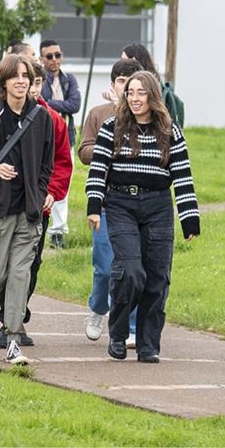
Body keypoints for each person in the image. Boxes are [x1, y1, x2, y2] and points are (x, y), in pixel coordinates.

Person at [85, 70, 201, 364]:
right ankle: (120, 331)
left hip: (158, 206)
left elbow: (183, 178)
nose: (135, 99)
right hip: (121, 203)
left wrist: (190, 219)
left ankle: (149, 343)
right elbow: (98, 170)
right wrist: (94, 207)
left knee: (157, 277)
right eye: (130, 93)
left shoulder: (170, 132)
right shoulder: (113, 127)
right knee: (130, 272)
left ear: (153, 96)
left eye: (141, 93)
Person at [0, 54, 55, 366]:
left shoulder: (42, 118)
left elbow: (48, 163)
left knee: (20, 276)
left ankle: (13, 339)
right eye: (15, 76)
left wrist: (44, 192)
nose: (21, 81)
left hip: (28, 211)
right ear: (3, 81)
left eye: (26, 76)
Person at [0, 60, 73, 348]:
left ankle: (17, 318)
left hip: (38, 207)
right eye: (28, 80)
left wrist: (51, 192)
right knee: (3, 265)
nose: (32, 87)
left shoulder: (52, 120)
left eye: (38, 82)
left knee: (29, 265)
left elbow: (62, 162)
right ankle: (6, 320)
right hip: (4, 205)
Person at [78, 58, 143, 345]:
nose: (127, 91)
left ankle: (131, 325)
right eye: (122, 83)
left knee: (133, 267)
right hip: (104, 203)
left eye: (133, 85)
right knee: (105, 266)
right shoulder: (98, 113)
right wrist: (112, 147)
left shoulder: (148, 118)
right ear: (113, 84)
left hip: (137, 204)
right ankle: (97, 308)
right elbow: (84, 151)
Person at [38, 40, 79, 250]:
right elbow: (41, 101)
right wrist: (59, 105)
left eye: (58, 55)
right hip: (45, 140)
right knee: (45, 182)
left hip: (66, 138)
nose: (55, 60)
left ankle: (59, 230)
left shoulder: (68, 79)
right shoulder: (41, 80)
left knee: (63, 183)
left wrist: (52, 104)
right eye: (49, 56)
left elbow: (75, 104)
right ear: (41, 59)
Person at [120, 43, 184, 126]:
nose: (120, 64)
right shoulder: (156, 80)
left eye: (123, 60)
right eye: (130, 93)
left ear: (133, 59)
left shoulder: (152, 84)